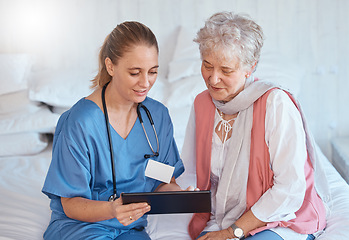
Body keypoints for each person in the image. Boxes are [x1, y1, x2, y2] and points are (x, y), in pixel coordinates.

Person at [181, 12, 331, 240]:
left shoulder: (275, 103)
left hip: (279, 218)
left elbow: (289, 189)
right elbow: (189, 171)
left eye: (226, 70)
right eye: (207, 65)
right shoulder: (202, 103)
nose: (213, 79)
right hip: (220, 217)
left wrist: (233, 232)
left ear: (250, 67)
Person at [42, 21, 188, 240]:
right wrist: (113, 210)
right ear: (110, 66)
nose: (145, 83)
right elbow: (71, 204)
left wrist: (183, 197)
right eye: (134, 73)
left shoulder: (158, 117)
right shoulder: (79, 122)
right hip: (80, 226)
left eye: (153, 72)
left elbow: (164, 181)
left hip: (131, 228)